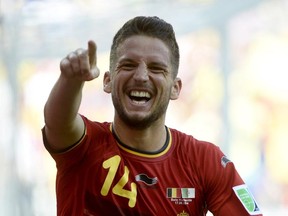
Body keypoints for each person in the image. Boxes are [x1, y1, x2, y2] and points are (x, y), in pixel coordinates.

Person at [42, 16, 262, 216]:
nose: (141, 76)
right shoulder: (84, 147)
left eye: (156, 68)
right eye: (128, 65)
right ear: (108, 80)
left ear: (175, 88)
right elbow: (58, 122)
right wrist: (70, 81)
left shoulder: (205, 161)